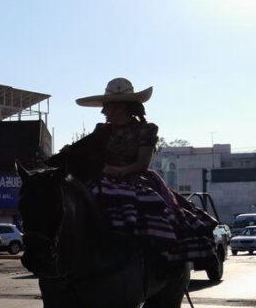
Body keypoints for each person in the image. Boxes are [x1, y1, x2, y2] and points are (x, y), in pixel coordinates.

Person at [51, 77, 217, 270]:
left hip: (135, 178)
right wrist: (68, 152)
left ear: (121, 106)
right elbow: (83, 150)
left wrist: (119, 171)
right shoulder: (101, 130)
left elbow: (142, 163)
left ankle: (156, 254)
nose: (103, 111)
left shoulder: (146, 129)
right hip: (104, 178)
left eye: (107, 106)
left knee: (145, 201)